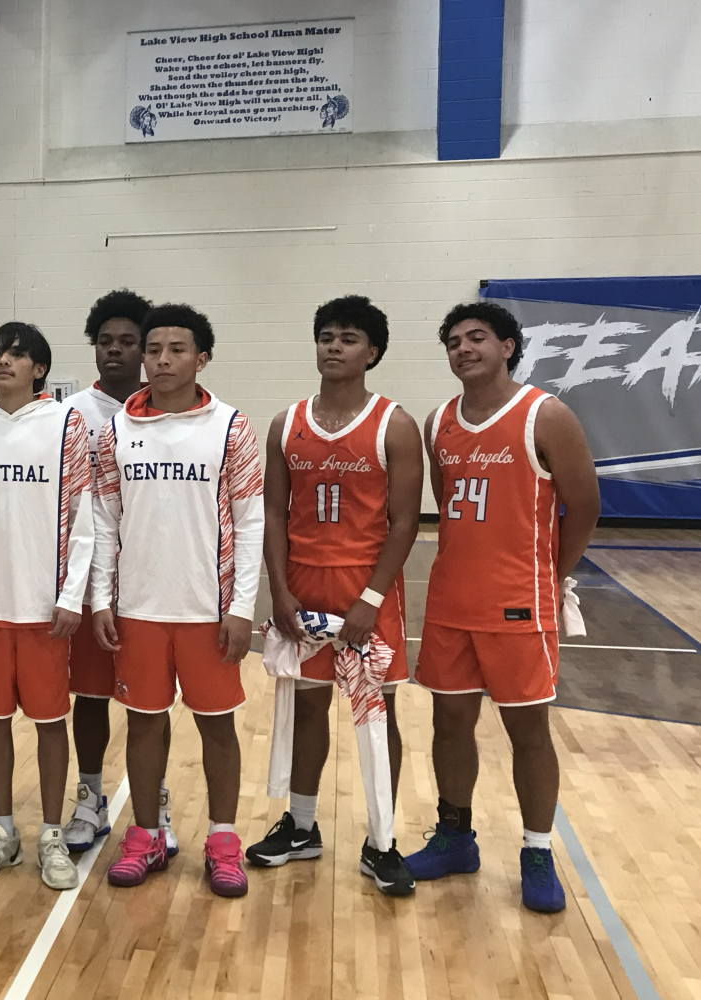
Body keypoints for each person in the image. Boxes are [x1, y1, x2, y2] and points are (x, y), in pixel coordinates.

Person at [404, 302, 599, 913]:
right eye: (454, 342)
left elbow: (585, 505)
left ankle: (537, 850)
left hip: (520, 606)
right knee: (448, 724)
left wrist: (549, 576)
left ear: (508, 346)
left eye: (477, 338)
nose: (464, 349)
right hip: (450, 602)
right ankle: (456, 837)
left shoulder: (545, 414)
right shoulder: (438, 422)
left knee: (528, 732)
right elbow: (448, 501)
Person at [245, 295, 421, 895]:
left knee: (377, 714)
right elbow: (272, 510)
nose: (334, 346)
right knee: (305, 708)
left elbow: (404, 522)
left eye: (348, 338)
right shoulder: (286, 421)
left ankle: (383, 839)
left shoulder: (393, 423)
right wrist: (280, 589)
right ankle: (300, 825)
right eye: (326, 336)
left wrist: (371, 599)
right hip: (303, 583)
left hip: (365, 588)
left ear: (372, 351)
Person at [91, 304, 263, 898]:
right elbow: (104, 520)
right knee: (143, 725)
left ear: (202, 358)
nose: (162, 360)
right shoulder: (117, 430)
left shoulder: (231, 427)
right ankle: (146, 835)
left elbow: (250, 522)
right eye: (154, 349)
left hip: (207, 612)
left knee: (218, 730)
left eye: (177, 350)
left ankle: (222, 841)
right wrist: (100, 599)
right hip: (138, 608)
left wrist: (241, 608)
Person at [0, 322, 91, 891]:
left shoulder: (65, 425)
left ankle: (51, 834)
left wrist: (73, 595)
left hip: (44, 606)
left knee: (52, 724)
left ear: (40, 369)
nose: (3, 361)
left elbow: (86, 520)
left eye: (17, 354)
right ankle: (2, 831)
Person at [60, 288, 167, 858]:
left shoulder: (171, 412)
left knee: (152, 704)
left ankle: (156, 796)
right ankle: (91, 795)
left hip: (155, 580)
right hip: (91, 582)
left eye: (129, 342)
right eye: (106, 341)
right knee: (92, 696)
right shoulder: (71, 414)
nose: (116, 351)